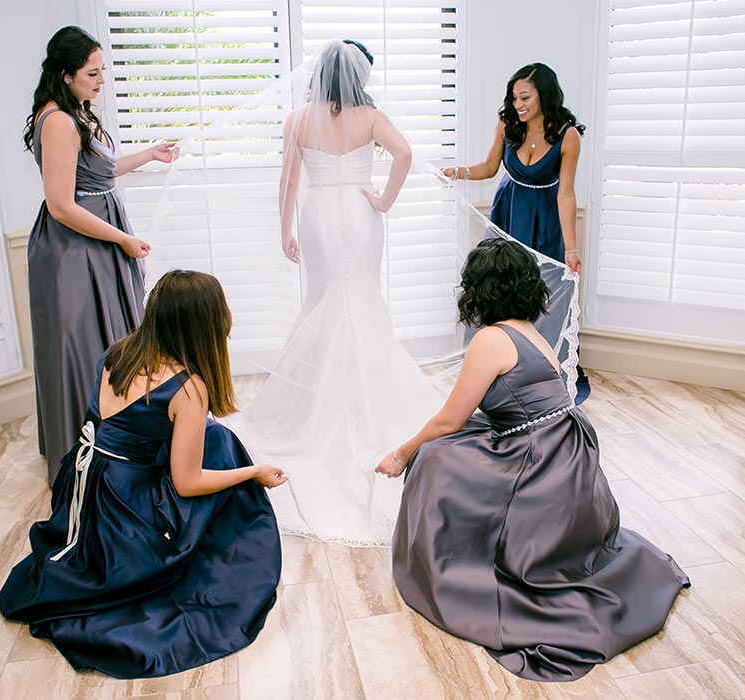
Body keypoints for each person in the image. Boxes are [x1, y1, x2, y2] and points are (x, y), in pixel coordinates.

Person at [377, 238, 689, 682]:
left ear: (479, 290)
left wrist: (400, 454)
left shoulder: (491, 338)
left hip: (540, 458)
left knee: (434, 459)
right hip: (567, 450)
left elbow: (448, 420)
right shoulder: (529, 329)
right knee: (456, 445)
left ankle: (450, 564)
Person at [0, 270, 288, 679]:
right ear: (202, 324)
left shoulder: (119, 350)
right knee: (224, 451)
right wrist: (252, 472)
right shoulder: (188, 388)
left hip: (84, 483)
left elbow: (125, 428)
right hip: (122, 508)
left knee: (212, 436)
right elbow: (187, 483)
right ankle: (231, 539)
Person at [224, 39, 445, 546]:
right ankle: (363, 402)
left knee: (324, 301)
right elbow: (405, 154)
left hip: (319, 213)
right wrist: (383, 201)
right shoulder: (370, 116)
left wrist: (286, 230)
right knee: (360, 298)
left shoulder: (299, 117)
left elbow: (287, 179)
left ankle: (315, 405)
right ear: (356, 76)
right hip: (361, 213)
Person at [24, 26, 180, 483]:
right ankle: (86, 450)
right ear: (66, 74)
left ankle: (121, 436)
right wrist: (121, 239)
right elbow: (61, 205)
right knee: (82, 344)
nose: (101, 80)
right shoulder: (56, 121)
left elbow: (101, 171)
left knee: (114, 337)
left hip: (99, 238)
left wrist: (149, 154)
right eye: (92, 73)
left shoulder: (77, 112)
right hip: (75, 249)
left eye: (104, 70)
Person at [443, 62, 590, 401]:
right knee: (494, 287)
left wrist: (571, 248)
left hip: (546, 218)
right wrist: (458, 172)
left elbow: (566, 193)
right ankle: (485, 369)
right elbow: (489, 167)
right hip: (507, 213)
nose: (518, 105)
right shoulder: (508, 125)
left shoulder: (568, 135)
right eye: (514, 98)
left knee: (540, 297)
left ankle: (534, 377)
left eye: (525, 97)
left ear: (545, 95)